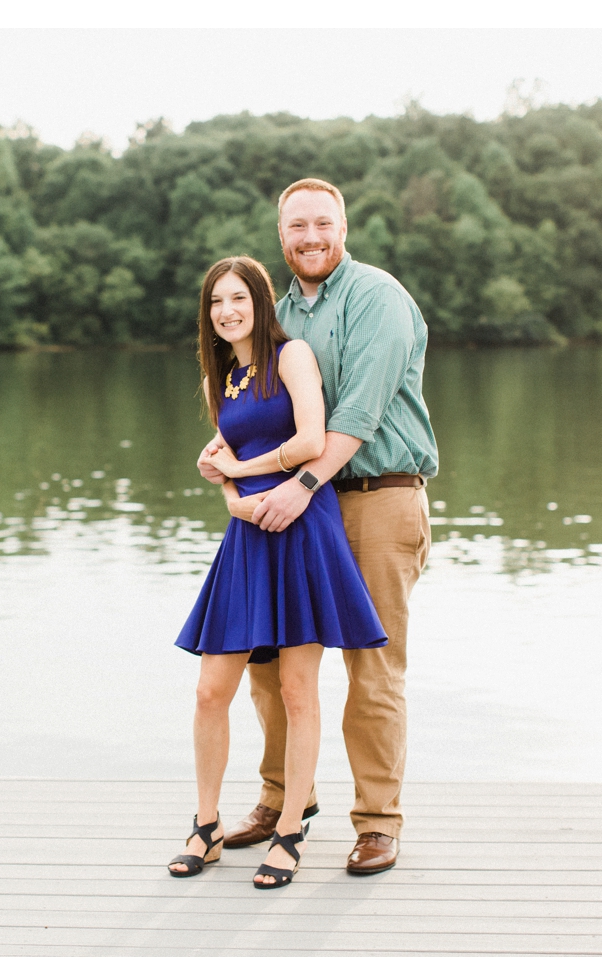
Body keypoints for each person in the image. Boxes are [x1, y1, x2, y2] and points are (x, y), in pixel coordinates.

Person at [198, 178, 437, 875]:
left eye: (321, 223)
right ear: (282, 235)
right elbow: (254, 405)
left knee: (372, 665)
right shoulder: (277, 313)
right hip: (296, 504)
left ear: (342, 225)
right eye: (296, 225)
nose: (309, 236)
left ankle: (378, 821)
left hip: (374, 495)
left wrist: (302, 483)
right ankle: (282, 802)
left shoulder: (377, 299)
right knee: (271, 665)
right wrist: (229, 465)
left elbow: (357, 413)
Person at [168, 255, 387, 889]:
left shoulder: (292, 357)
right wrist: (232, 497)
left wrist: (236, 473)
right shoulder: (220, 381)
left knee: (297, 689)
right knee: (213, 688)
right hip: (249, 534)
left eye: (239, 298)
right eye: (216, 303)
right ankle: (205, 827)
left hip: (302, 525)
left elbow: (313, 440)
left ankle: (290, 827)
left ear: (261, 303)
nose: (227, 311)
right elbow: (224, 465)